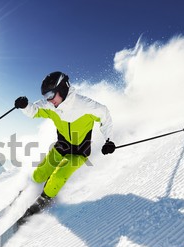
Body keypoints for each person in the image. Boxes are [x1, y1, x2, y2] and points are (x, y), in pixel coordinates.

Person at [15, 71, 115, 219]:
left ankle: (43, 200)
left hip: (79, 152)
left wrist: (109, 140)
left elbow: (104, 115)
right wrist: (24, 106)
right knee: (40, 173)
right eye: (45, 97)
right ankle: (28, 191)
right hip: (62, 146)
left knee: (58, 176)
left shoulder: (85, 105)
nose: (48, 100)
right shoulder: (50, 106)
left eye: (50, 95)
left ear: (61, 89)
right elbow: (34, 111)